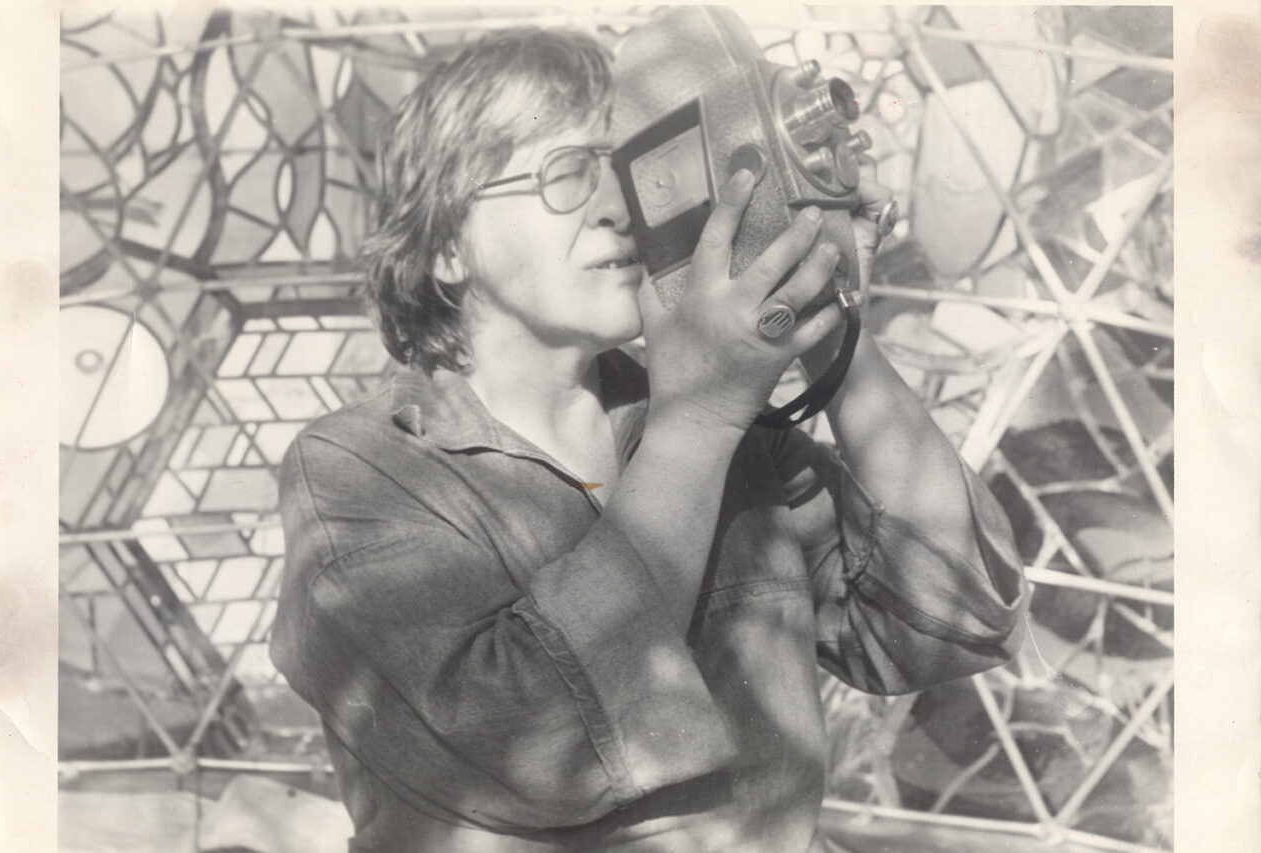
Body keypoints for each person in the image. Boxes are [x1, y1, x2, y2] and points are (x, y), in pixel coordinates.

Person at [270, 26, 1026, 853]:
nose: (614, 207)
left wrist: (825, 319)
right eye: (566, 172)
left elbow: (946, 624)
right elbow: (530, 743)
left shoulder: (727, 431)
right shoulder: (359, 469)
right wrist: (698, 419)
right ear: (447, 246)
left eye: (623, 166)